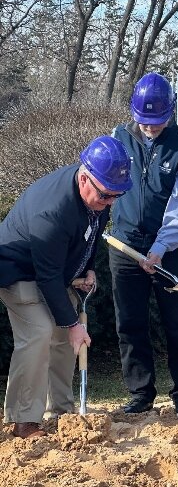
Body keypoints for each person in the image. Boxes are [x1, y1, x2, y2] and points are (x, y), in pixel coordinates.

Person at [0, 136, 132, 438]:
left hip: (54, 273)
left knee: (64, 338)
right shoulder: (51, 212)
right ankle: (23, 421)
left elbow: (91, 234)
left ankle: (61, 412)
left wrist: (86, 269)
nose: (110, 202)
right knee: (39, 332)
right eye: (106, 196)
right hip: (18, 271)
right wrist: (73, 324)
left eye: (117, 196)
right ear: (85, 178)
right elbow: (47, 277)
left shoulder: (99, 192)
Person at [110, 72, 178, 414]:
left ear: (170, 111)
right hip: (125, 245)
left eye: (158, 120)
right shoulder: (118, 137)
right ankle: (140, 393)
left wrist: (161, 247)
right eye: (144, 120)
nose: (150, 127)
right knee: (130, 322)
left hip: (172, 250)